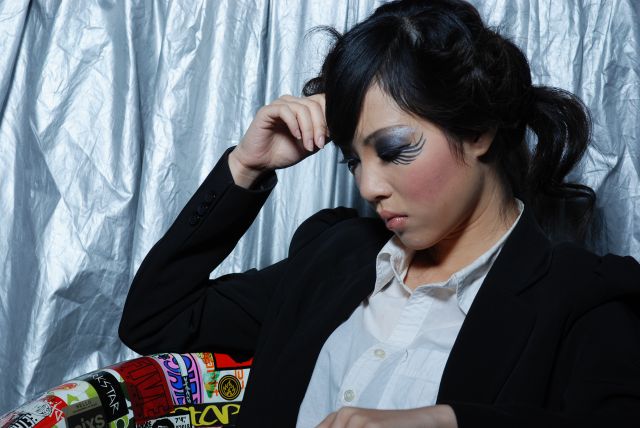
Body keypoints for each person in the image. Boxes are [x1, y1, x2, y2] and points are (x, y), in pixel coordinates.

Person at [119, 0, 640, 427]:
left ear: (478, 130)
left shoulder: (581, 297)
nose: (368, 187)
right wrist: (246, 167)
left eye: (393, 150)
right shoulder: (334, 256)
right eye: (353, 160)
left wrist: (446, 422)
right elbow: (156, 318)